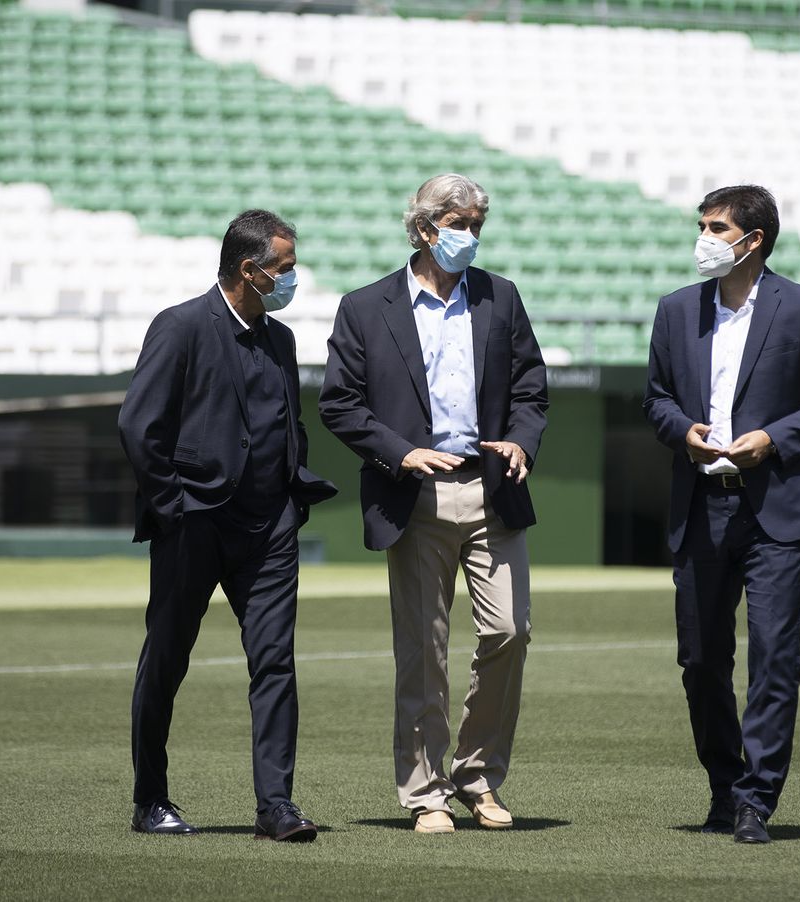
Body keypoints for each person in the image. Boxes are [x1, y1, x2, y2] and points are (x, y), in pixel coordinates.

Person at [319, 174, 548, 834]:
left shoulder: (500, 298)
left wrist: (523, 444)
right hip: (412, 494)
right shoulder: (365, 308)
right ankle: (426, 794)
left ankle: (479, 777)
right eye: (458, 223)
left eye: (477, 224)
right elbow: (341, 402)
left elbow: (532, 390)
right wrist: (401, 452)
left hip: (493, 488)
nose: (469, 236)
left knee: (510, 630)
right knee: (423, 648)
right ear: (423, 229)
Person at [643, 185, 800, 844]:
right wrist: (683, 429)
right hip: (702, 503)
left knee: (773, 657)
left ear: (752, 239)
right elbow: (654, 398)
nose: (704, 237)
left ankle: (756, 801)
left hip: (776, 510)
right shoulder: (676, 310)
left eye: (716, 227)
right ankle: (723, 782)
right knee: (701, 659)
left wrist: (774, 439)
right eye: (702, 225)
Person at [118, 209, 337, 841]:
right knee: (167, 658)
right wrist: (174, 507)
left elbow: (285, 424)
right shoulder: (181, 325)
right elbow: (139, 426)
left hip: (268, 529)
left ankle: (276, 806)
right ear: (250, 269)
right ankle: (150, 799)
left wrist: (290, 493)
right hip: (194, 524)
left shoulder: (282, 340)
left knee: (275, 663)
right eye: (285, 268)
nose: (293, 280)